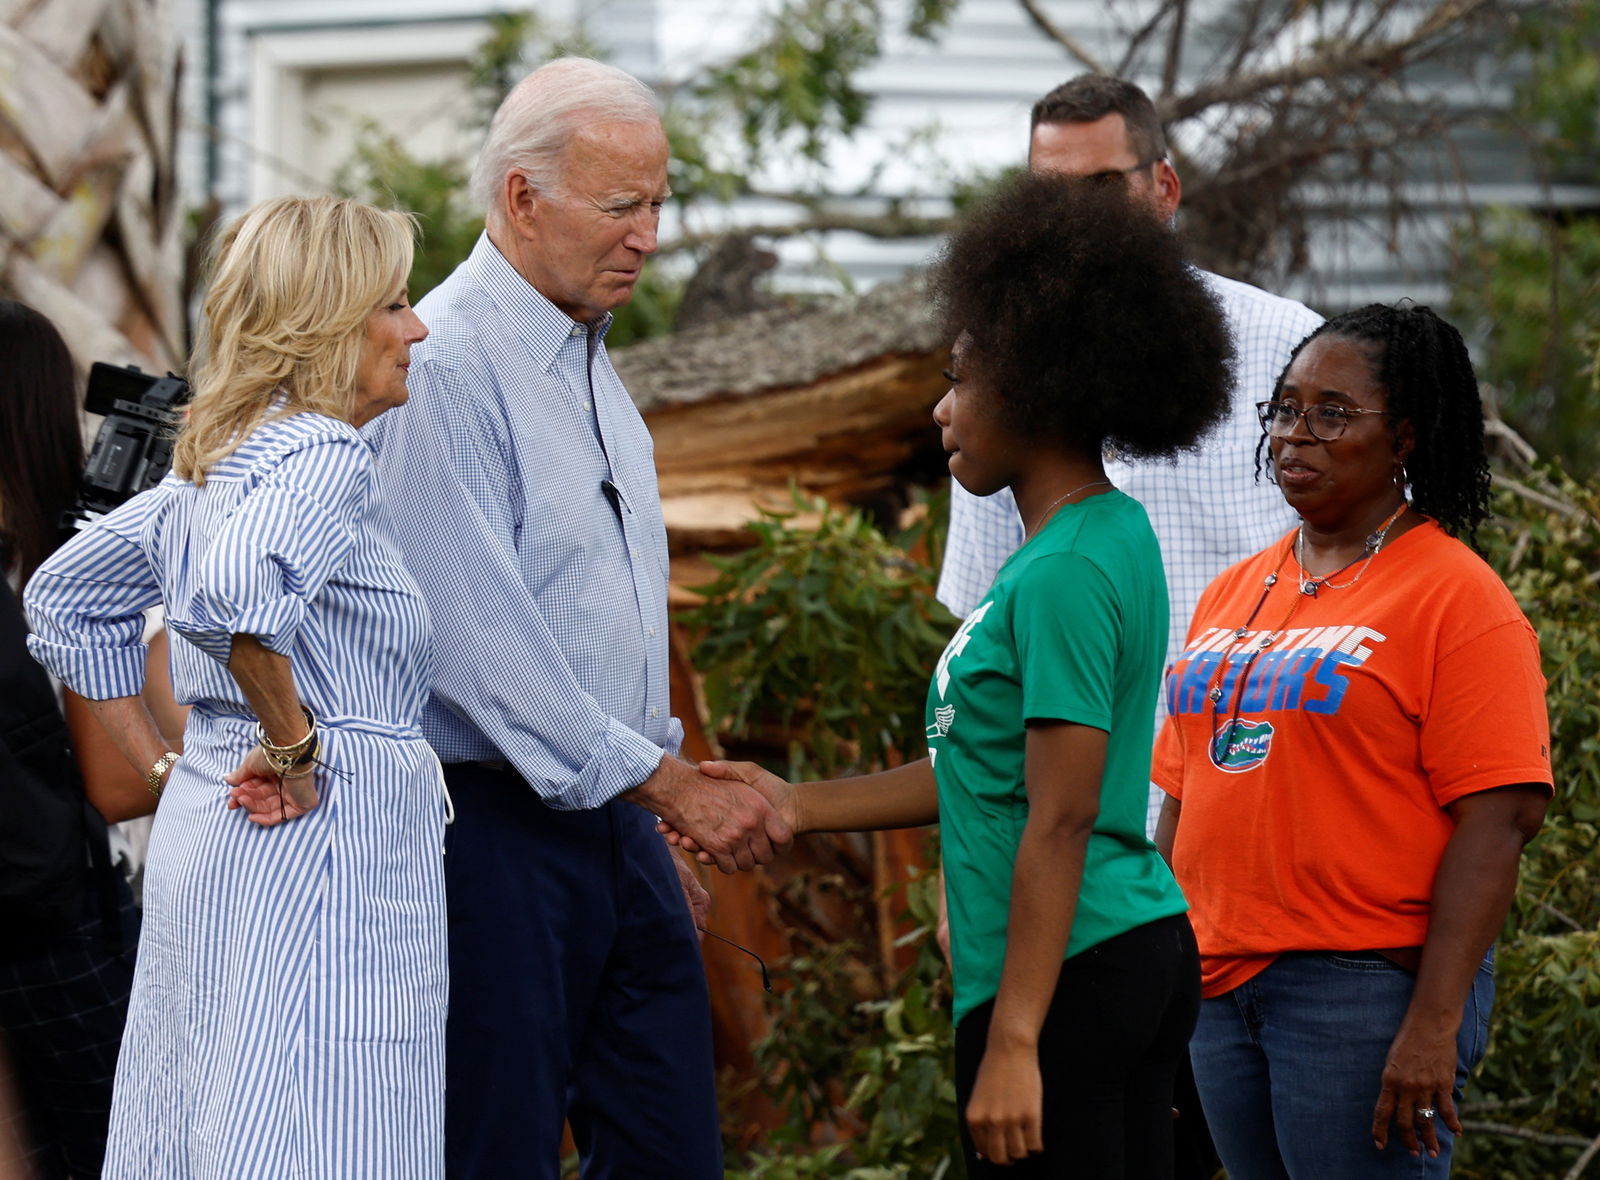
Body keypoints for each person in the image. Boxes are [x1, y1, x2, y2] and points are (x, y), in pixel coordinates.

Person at [678, 173, 1232, 1177]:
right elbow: (985, 770)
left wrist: (1016, 1040)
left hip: (1070, 970)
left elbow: (1060, 818)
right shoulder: (1096, 538)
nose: (939, 408)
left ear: (1035, 380)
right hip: (1109, 948)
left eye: (959, 378)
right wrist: (797, 804)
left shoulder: (1063, 571)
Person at [361, 56, 790, 1180]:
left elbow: (593, 614)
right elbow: (478, 645)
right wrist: (667, 786)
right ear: (520, 199)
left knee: (668, 1148)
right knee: (491, 1149)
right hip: (487, 831)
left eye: (657, 204)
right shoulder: (442, 361)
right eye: (619, 206)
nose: (648, 235)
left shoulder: (588, 356)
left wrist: (641, 814)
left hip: (611, 815)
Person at [25, 196, 449, 1178]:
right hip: (312, 843)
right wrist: (294, 745)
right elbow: (233, 596)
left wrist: (171, 765)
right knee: (318, 1124)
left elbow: (64, 595)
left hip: (218, 828)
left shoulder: (216, 465)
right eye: (392, 304)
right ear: (328, 323)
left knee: (220, 1105)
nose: (416, 327)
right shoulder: (321, 455)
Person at [1152, 304, 1553, 1178]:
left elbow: (1498, 823)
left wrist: (1433, 1023)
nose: (1298, 434)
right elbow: (1182, 803)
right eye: (1286, 409)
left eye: (1333, 414)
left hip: (1358, 992)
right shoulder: (1232, 591)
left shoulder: (1456, 598)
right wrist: (1163, 983)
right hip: (1218, 993)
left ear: (1406, 436)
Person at [936, 74, 1322, 834]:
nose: (1078, 216)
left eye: (1104, 184)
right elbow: (978, 649)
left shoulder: (1292, 350)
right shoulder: (1005, 368)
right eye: (1054, 192)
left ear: (1165, 187)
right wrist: (969, 857)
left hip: (1258, 811)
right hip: (1063, 830)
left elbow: (1373, 582)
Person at [0, 298, 146, 1180]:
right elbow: (118, 783)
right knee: (109, 1147)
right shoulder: (68, 567)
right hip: (57, 922)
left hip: (30, 900)